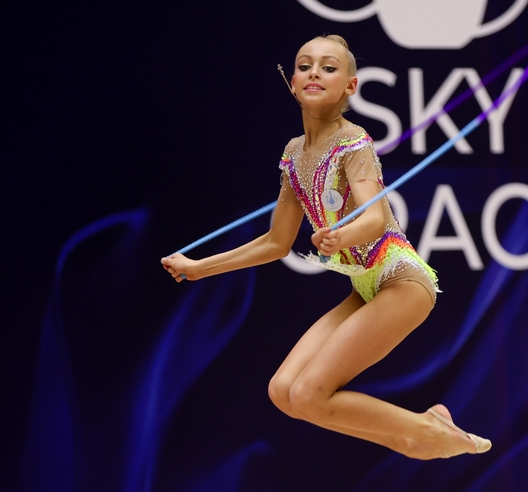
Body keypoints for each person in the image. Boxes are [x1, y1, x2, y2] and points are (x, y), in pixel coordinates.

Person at [161, 35, 491, 460]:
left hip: (400, 280)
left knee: (311, 393)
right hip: (365, 286)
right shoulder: (294, 153)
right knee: (285, 392)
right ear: (292, 83)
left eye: (329, 67)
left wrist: (343, 235)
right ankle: (410, 437)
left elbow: (375, 217)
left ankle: (426, 429)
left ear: (351, 86)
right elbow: (277, 242)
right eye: (305, 65)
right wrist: (201, 267)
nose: (315, 72)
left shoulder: (354, 142)